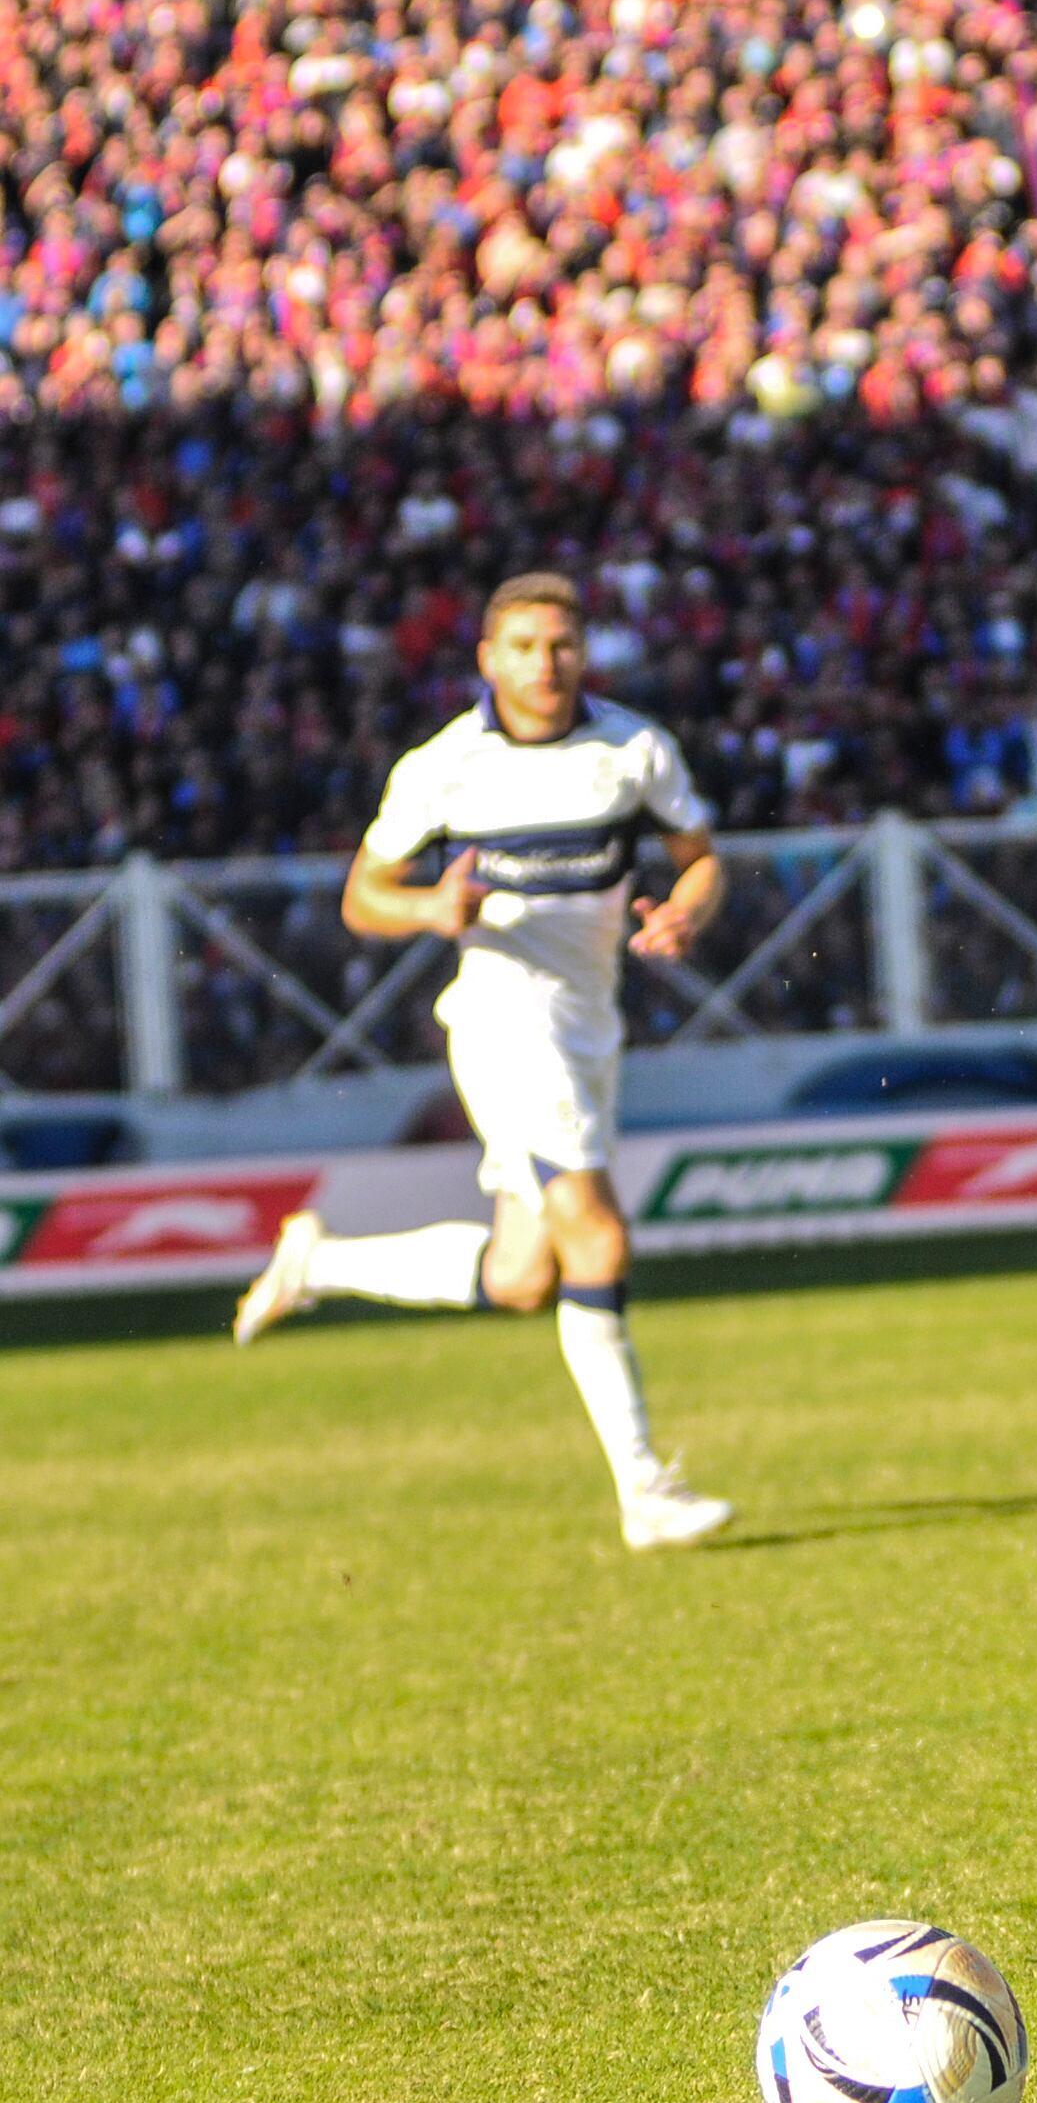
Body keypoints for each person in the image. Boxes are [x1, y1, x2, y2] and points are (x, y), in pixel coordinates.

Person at [232, 575, 736, 1553]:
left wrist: (687, 909)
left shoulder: (633, 748)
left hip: (591, 1024)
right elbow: (363, 895)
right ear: (488, 659)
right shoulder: (445, 769)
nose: (545, 665)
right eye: (524, 647)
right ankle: (646, 1492)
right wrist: (430, 910)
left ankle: (318, 1264)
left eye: (562, 645)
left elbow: (703, 856)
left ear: (584, 652)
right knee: (597, 1237)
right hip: (508, 1025)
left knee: (520, 1274)